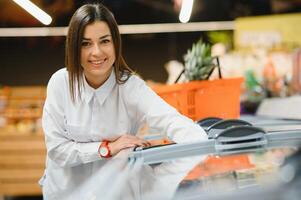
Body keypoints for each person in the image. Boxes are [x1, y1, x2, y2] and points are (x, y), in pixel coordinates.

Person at [40, 3, 207, 199]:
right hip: (65, 194)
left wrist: (202, 148)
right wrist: (107, 148)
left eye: (104, 41)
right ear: (74, 47)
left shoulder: (131, 87)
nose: (97, 52)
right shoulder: (60, 83)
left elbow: (174, 122)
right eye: (86, 43)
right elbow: (57, 150)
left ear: (115, 43)